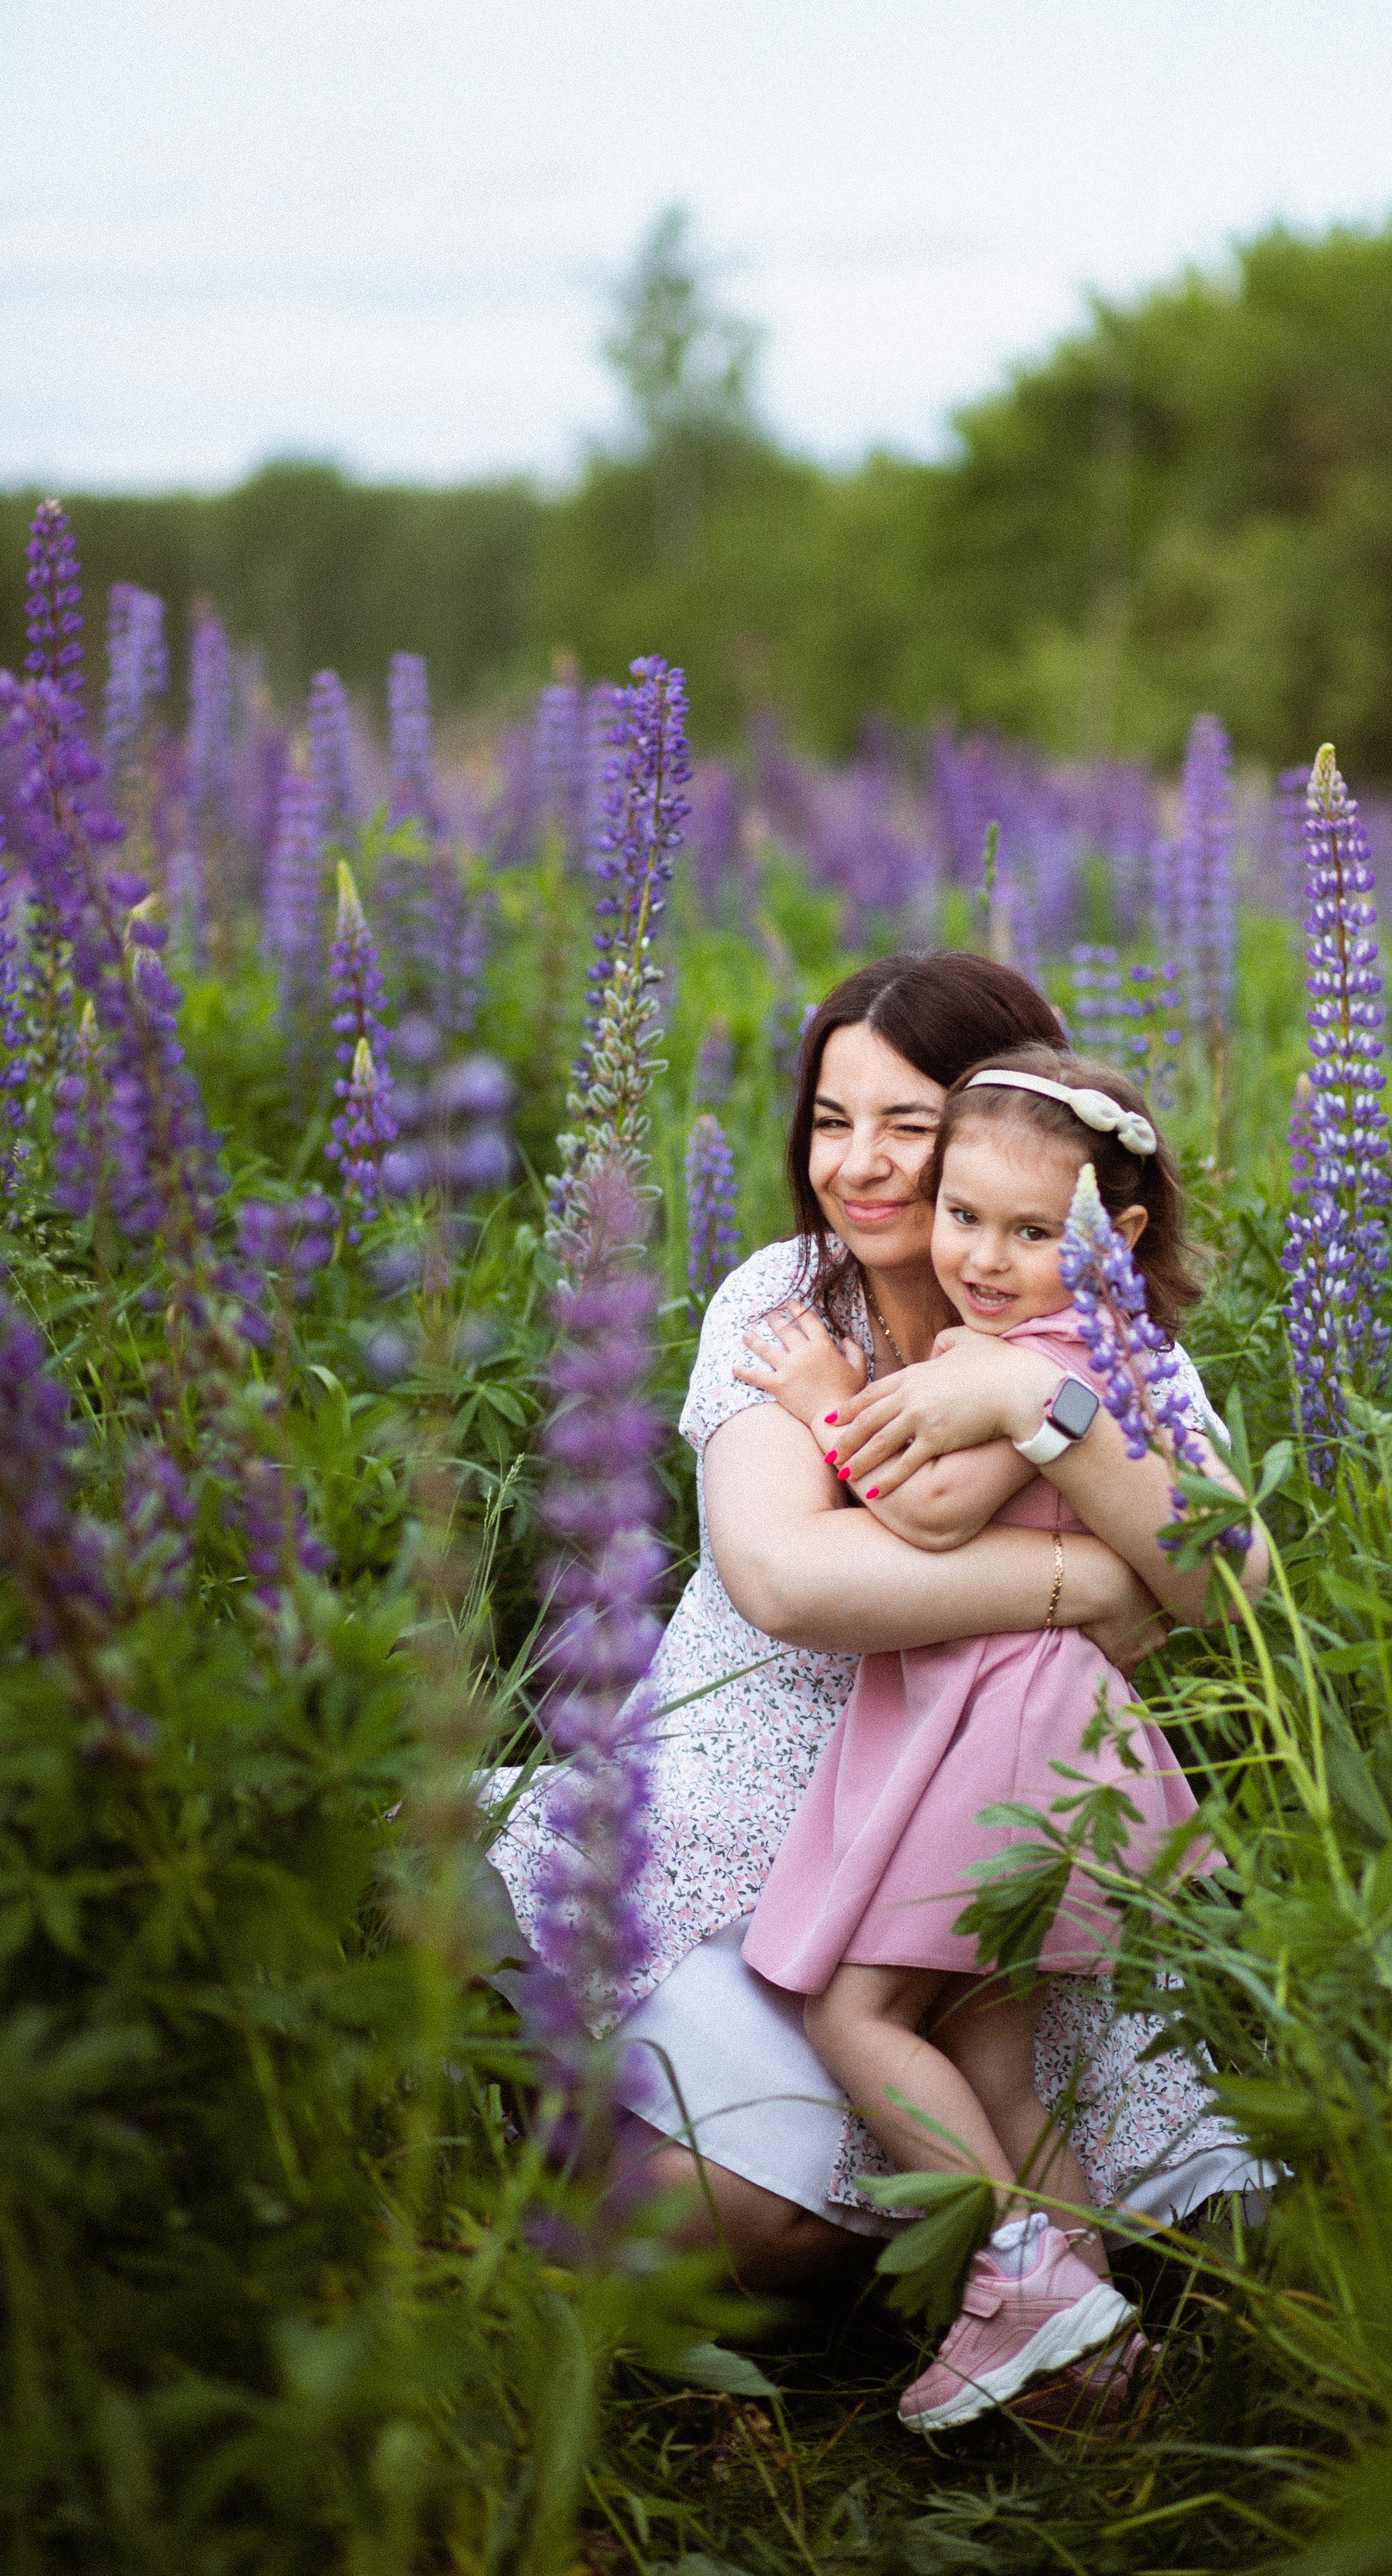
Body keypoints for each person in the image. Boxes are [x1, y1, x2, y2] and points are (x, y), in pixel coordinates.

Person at [481, 953, 1276, 2306]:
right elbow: (793, 1576)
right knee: (744, 2216)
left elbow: (1229, 1581)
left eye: (908, 1125)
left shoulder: (1097, 1329)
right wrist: (1087, 1581)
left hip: (984, 1831)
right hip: (755, 1824)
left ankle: (1028, 2308)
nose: (858, 1165)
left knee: (1197, 2221)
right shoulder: (786, 1304)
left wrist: (1036, 1402)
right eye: (829, 1121)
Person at [740, 1045, 1247, 2429]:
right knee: (991, 2057)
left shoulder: (1040, 1360)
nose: (982, 1256)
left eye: (1031, 1233)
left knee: (856, 2014)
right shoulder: (1064, 1351)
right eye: (963, 1217)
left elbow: (927, 1512)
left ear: (1113, 1238)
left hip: (1011, 1729)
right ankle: (1097, 2373)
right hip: (1023, 1721)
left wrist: (822, 1399)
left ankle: (1019, 2277)